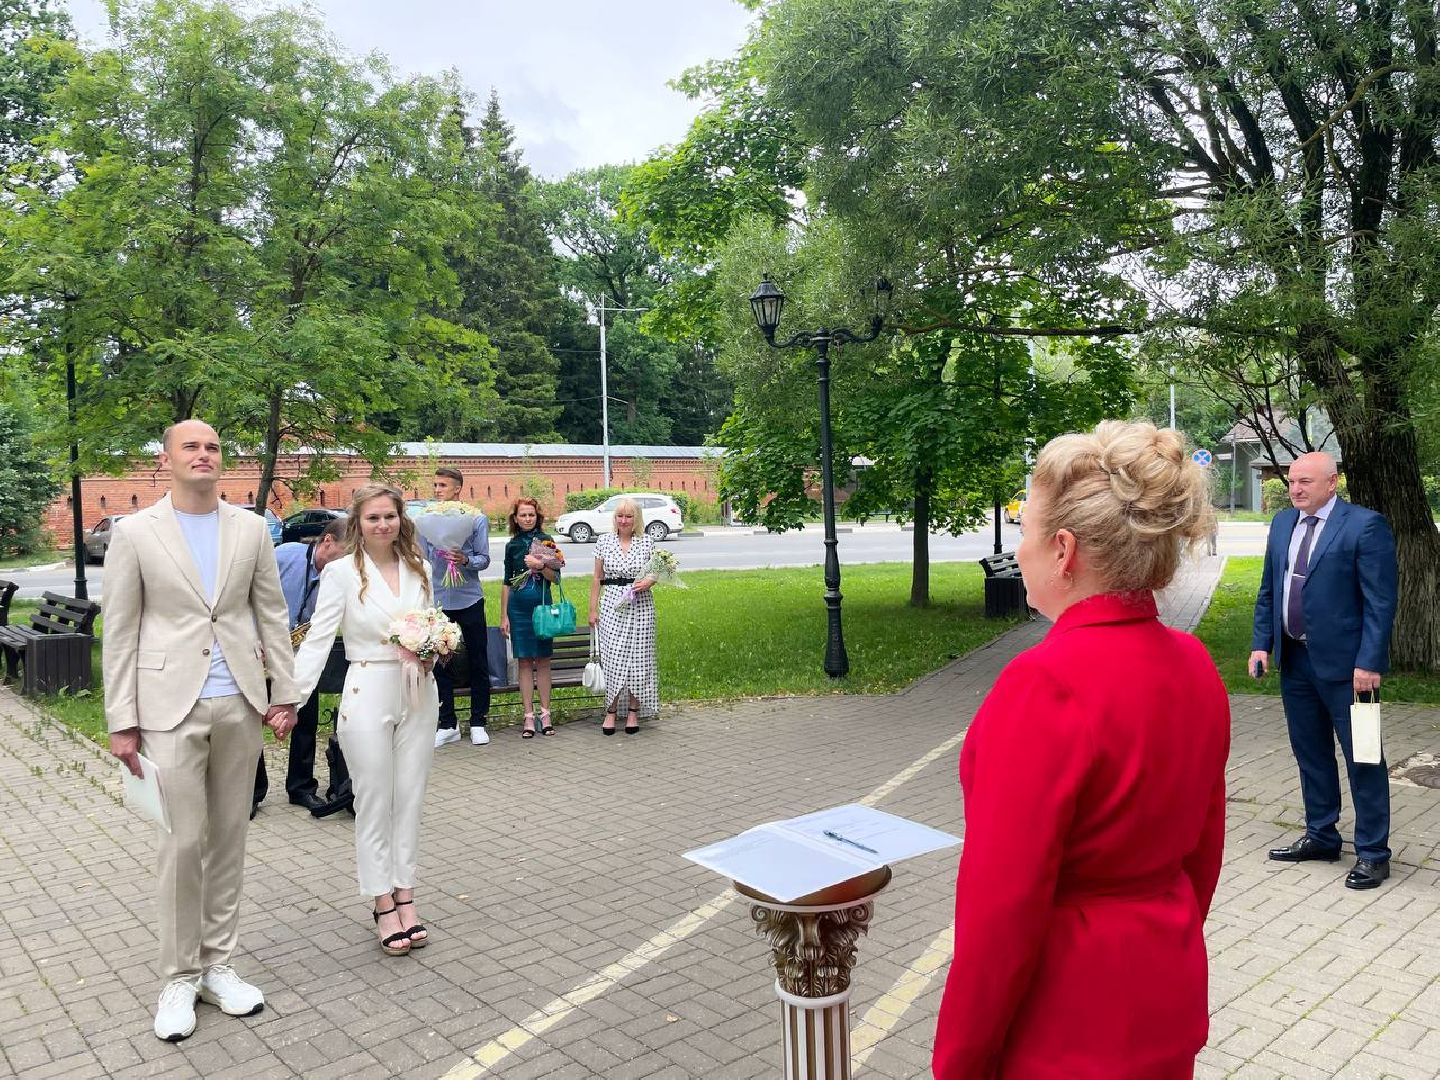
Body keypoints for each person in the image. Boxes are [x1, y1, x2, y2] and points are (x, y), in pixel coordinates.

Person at [933, 421, 1230, 1079]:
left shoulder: (1043, 684)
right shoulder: (1194, 663)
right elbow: (1203, 853)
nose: (1019, 549)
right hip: (1163, 987)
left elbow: (1000, 910)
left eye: (1025, 530)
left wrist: (960, 1062)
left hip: (1064, 1023)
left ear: (1064, 549)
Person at [104, 419, 300, 1043]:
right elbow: (121, 630)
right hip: (168, 708)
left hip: (239, 702)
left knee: (230, 839)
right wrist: (121, 720)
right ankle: (179, 976)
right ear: (166, 459)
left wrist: (285, 692)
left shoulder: (250, 529)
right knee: (183, 842)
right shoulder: (136, 532)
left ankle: (218, 965)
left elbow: (271, 613)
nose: (203, 454)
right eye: (190, 445)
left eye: (212, 446)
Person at [291, 484, 441, 955]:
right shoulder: (341, 572)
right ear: (358, 523)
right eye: (373, 517)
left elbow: (431, 622)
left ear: (401, 519)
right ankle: (381, 901)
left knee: (409, 798)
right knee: (374, 800)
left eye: (389, 516)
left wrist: (435, 648)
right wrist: (290, 700)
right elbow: (318, 638)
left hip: (419, 691)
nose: (382, 525)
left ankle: (406, 893)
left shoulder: (420, 567)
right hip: (367, 685)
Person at [1250, 451, 1398, 890]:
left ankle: (1373, 853)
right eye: (1292, 481)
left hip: (1351, 669)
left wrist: (1369, 661)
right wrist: (1261, 643)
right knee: (1310, 753)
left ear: (1332, 482)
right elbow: (1269, 588)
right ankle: (1321, 835)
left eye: (1305, 482)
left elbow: (1380, 601)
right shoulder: (1282, 524)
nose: (1295, 489)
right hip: (1295, 662)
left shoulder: (1364, 526)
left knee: (1364, 756)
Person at [252, 517, 348, 815]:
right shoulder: (284, 555)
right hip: (262, 651)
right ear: (328, 542)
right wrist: (254, 638)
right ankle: (252, 792)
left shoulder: (340, 576)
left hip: (304, 655)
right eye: (346, 552)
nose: (349, 561)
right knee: (252, 721)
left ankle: (301, 788)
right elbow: (247, 594)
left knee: (306, 720)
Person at [420, 467, 493, 748]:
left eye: (443, 485)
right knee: (441, 662)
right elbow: (422, 558)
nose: (437, 490)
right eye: (435, 485)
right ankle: (448, 723)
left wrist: (465, 559)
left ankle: (478, 721)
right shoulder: (426, 519)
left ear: (457, 489)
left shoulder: (475, 518)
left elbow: (484, 559)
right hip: (438, 599)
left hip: (469, 598)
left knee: (478, 659)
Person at [588, 497, 659, 735]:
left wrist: (649, 581)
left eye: (629, 516)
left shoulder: (647, 541)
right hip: (612, 604)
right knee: (613, 658)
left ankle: (632, 712)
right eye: (620, 516)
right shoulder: (604, 541)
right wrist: (592, 609)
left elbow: (655, 572)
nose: (624, 520)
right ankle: (611, 711)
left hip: (641, 605)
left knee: (640, 660)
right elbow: (597, 577)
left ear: (636, 518)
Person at [499, 497, 560, 737]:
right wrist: (504, 615)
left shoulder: (546, 540)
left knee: (543, 660)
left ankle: (546, 714)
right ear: (515, 518)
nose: (527, 519)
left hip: (542, 606)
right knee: (524, 661)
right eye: (523, 515)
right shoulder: (512, 545)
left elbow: (556, 578)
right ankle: (528, 716)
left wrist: (540, 566)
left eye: (531, 515)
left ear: (537, 517)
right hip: (518, 609)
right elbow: (506, 582)